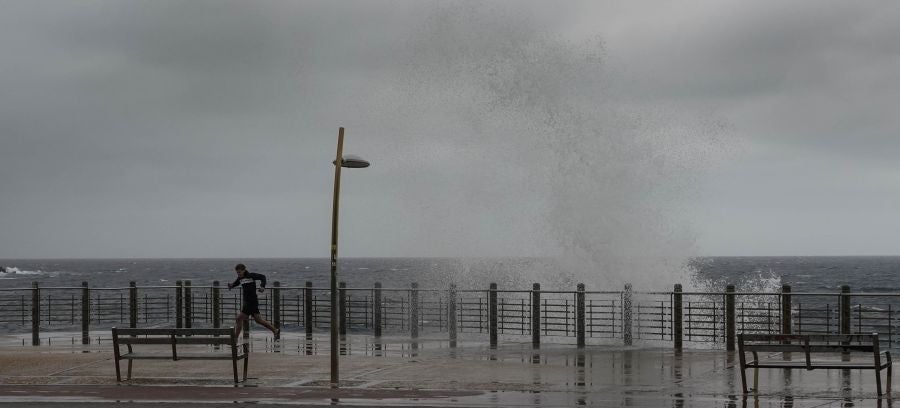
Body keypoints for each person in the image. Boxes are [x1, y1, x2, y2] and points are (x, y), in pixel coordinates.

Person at [228, 263, 280, 339]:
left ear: (244, 270)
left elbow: (263, 277)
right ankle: (275, 330)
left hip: (251, 302)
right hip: (248, 302)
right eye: (237, 272)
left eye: (239, 272)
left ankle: (234, 340)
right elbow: (236, 283)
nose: (238, 274)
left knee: (239, 319)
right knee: (258, 320)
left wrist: (262, 287)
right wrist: (231, 286)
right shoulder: (240, 278)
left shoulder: (251, 276)